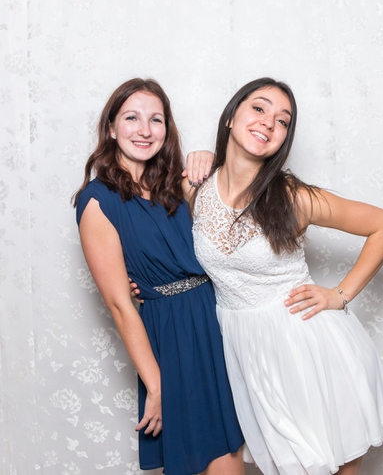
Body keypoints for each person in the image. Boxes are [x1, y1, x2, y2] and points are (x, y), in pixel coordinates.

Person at [191, 78, 383, 475]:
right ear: (231, 117)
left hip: (307, 345)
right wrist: (144, 285)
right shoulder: (195, 187)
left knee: (335, 464)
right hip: (243, 348)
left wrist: (340, 294)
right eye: (259, 108)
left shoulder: (292, 196)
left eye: (283, 120)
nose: (269, 122)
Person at [74, 78, 244, 475]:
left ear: (167, 128)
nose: (145, 130)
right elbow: (120, 305)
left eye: (156, 119)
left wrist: (209, 159)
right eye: (132, 118)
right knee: (209, 459)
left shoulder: (178, 184)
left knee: (233, 453)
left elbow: (237, 207)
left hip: (219, 321)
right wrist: (156, 384)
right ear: (111, 128)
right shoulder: (97, 201)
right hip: (174, 337)